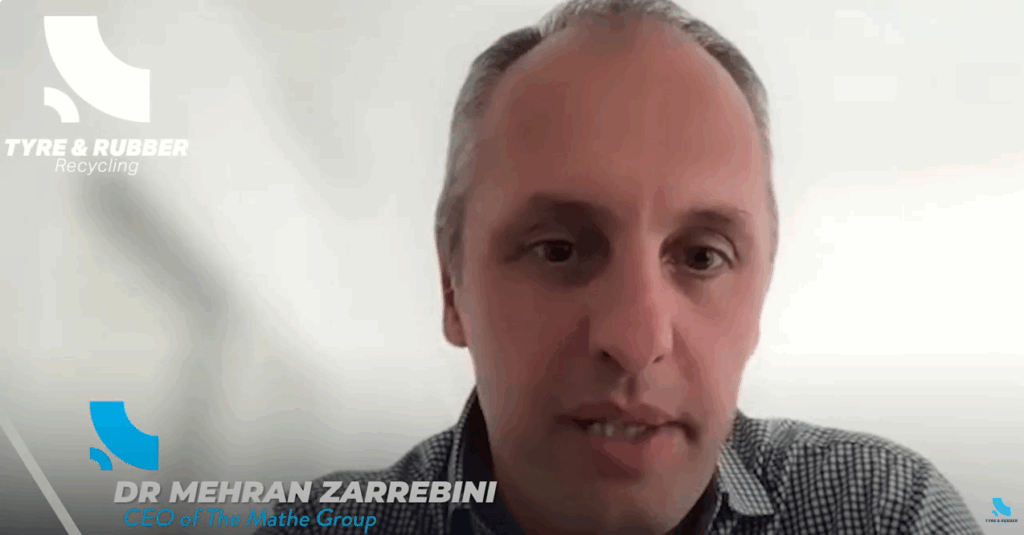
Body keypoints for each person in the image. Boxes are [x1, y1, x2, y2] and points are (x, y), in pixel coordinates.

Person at [256, 1, 983, 533]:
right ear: (453, 289)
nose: (636, 341)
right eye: (559, 249)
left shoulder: (887, 514)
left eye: (702, 257)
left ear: (759, 297)